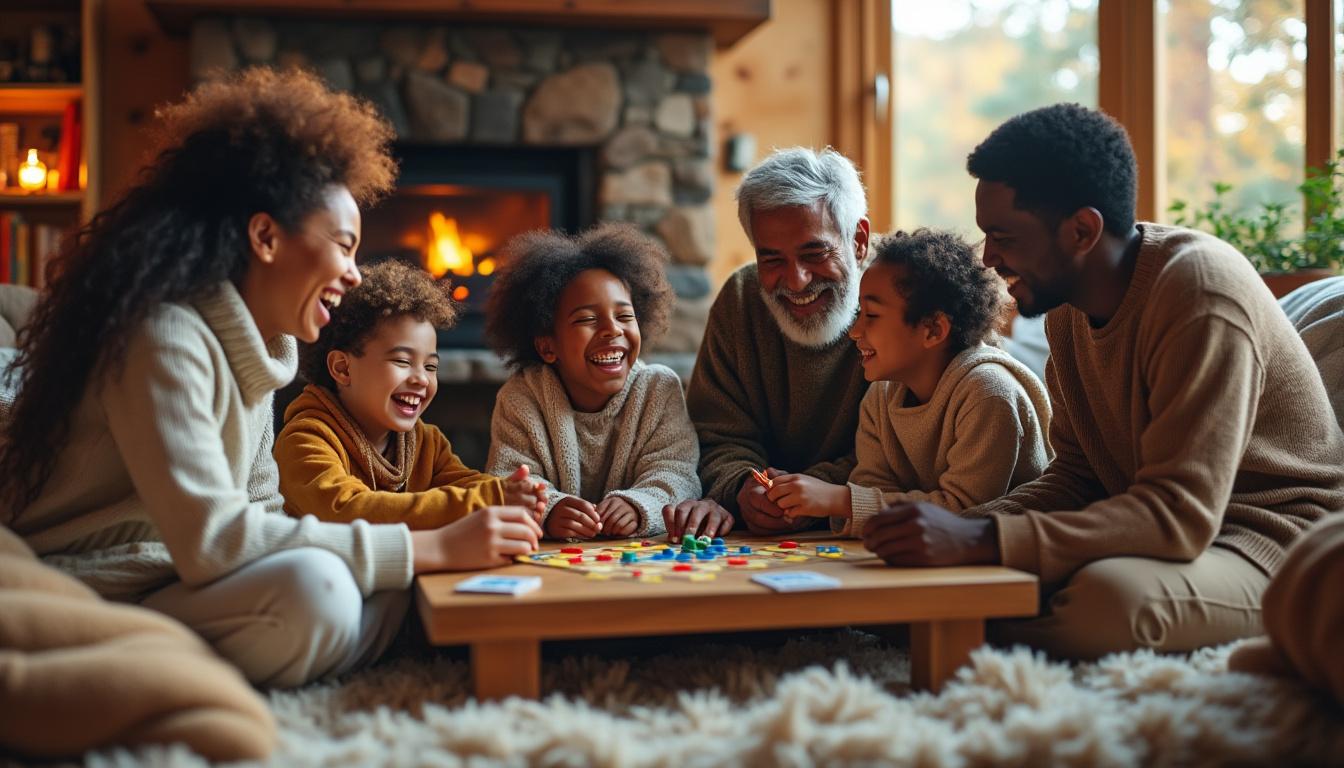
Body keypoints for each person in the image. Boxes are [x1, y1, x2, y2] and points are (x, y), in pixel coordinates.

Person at [0, 68, 540, 688]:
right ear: (265, 237)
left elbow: (262, 512)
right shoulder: (162, 334)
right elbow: (216, 541)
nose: (355, 274)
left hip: (180, 584)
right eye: (343, 245)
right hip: (98, 582)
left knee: (382, 589)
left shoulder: (263, 353)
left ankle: (206, 659)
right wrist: (434, 547)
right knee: (324, 590)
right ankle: (135, 666)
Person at [862, 103, 1344, 659]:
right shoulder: (1065, 307)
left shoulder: (1200, 294)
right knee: (974, 570)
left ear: (1082, 230)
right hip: (1158, 533)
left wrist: (980, 542)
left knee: (1109, 600)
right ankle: (941, 621)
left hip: (1274, 542)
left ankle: (952, 635)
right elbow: (1077, 474)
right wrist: (962, 528)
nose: (988, 259)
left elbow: (1178, 515)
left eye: (1005, 237)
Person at [767, 229, 1050, 535]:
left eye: (872, 315)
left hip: (1005, 565)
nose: (854, 331)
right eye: (860, 312)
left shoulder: (988, 394)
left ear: (933, 329)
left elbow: (965, 514)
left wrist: (841, 500)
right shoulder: (881, 396)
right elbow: (874, 488)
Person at [667, 147, 871, 541]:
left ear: (858, 240)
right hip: (759, 537)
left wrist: (815, 495)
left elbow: (911, 452)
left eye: (815, 252)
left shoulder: (904, 297)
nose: (795, 282)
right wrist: (743, 486)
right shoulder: (741, 298)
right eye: (772, 259)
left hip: (864, 531)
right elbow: (714, 436)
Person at [275, 259, 545, 527]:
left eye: (431, 366)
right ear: (343, 368)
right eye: (403, 362)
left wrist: (536, 503)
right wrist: (490, 499)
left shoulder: (424, 442)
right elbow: (346, 509)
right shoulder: (306, 440)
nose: (421, 379)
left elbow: (468, 484)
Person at [484, 224, 700, 540]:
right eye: (587, 319)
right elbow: (508, 479)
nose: (612, 330)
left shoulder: (658, 389)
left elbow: (678, 473)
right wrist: (549, 510)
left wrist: (640, 505)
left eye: (625, 317)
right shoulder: (522, 397)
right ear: (548, 346)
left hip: (639, 563)